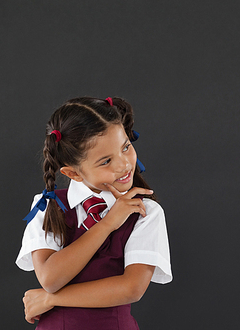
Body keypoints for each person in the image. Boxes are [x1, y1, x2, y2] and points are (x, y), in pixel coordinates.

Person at [15, 96, 172, 329]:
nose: (124, 165)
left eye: (126, 147)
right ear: (73, 174)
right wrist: (107, 224)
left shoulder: (145, 211)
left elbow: (131, 288)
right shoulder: (49, 206)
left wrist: (52, 299)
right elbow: (50, 278)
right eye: (106, 161)